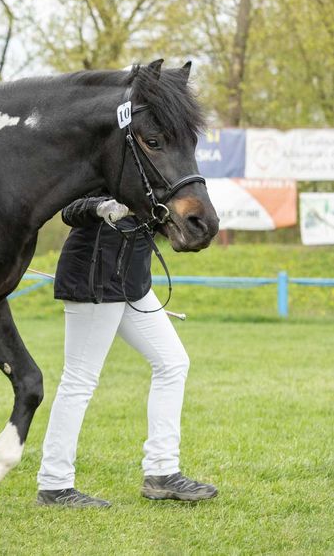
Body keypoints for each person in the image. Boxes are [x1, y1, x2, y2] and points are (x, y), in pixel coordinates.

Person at [36, 195, 217, 507]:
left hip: (132, 283)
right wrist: (100, 207)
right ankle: (54, 484)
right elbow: (68, 210)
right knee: (79, 380)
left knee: (172, 363)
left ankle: (162, 472)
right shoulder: (103, 153)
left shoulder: (150, 169)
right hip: (95, 278)